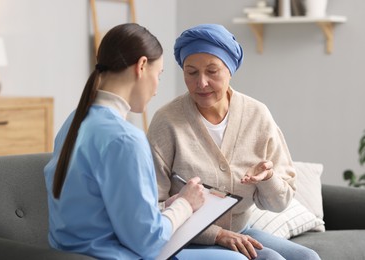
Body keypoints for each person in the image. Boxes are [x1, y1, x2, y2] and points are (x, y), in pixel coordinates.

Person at [44, 23, 249, 260]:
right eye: (159, 75)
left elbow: (106, 211)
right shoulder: (125, 139)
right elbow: (148, 243)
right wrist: (185, 204)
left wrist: (166, 208)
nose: (155, 89)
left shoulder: (74, 121)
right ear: (142, 66)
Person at [147, 24, 321, 260]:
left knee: (307, 257)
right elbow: (152, 206)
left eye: (212, 71)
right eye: (191, 72)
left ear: (230, 69)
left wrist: (268, 179)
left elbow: (282, 201)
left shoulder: (258, 115)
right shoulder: (166, 121)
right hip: (185, 237)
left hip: (240, 230)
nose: (202, 83)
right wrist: (217, 234)